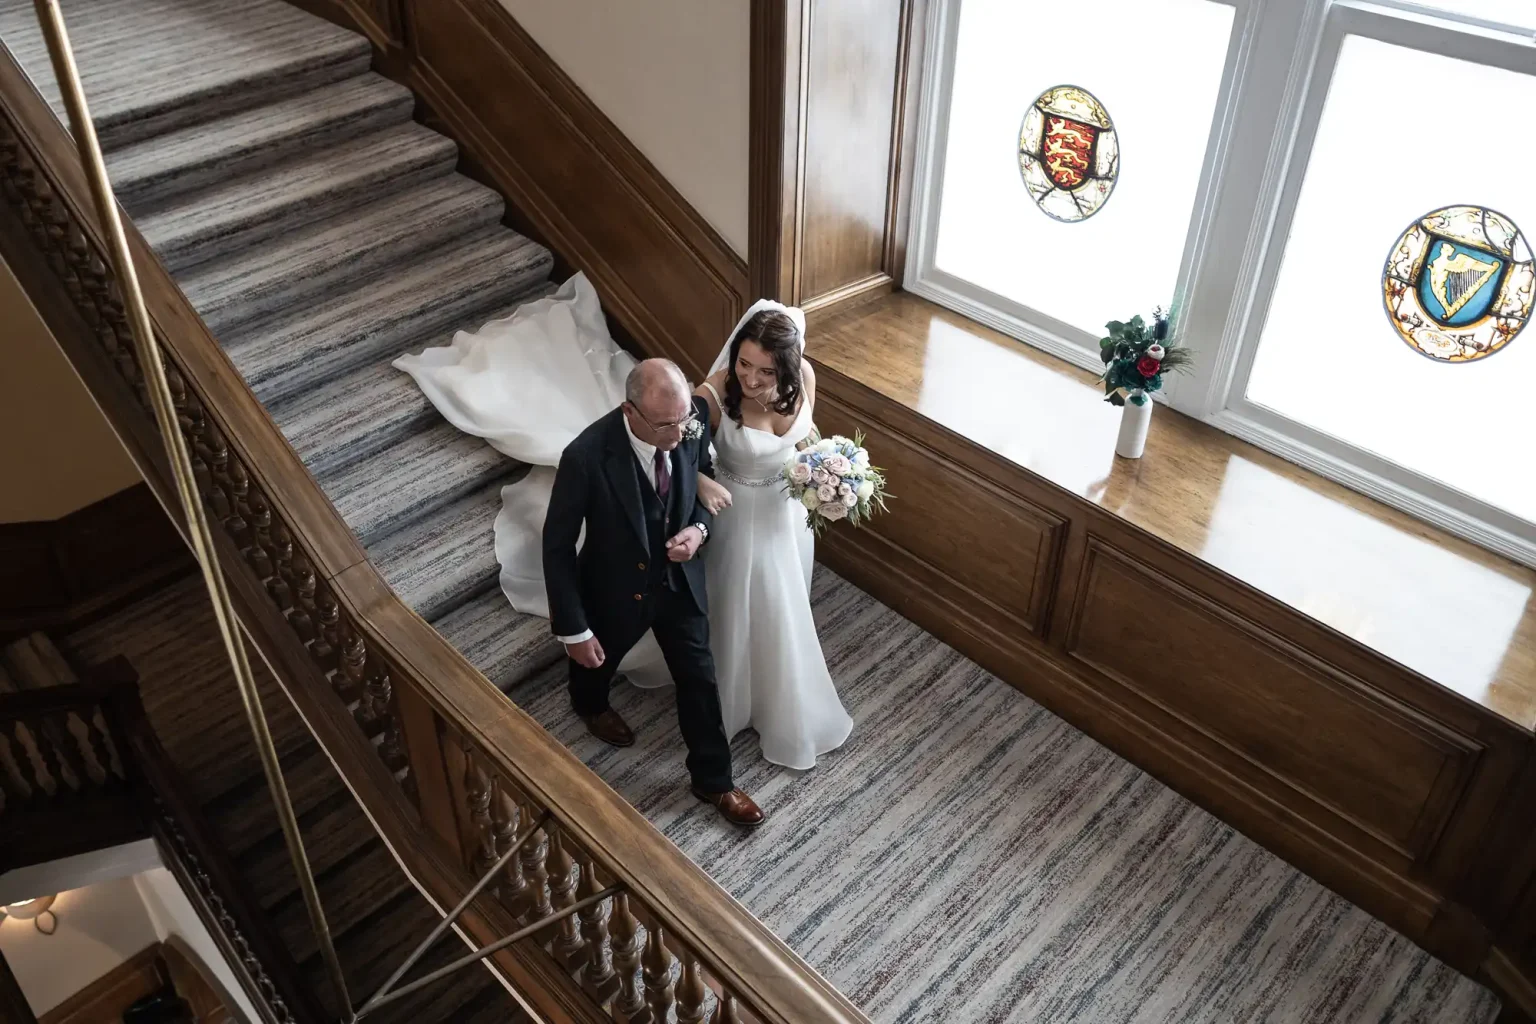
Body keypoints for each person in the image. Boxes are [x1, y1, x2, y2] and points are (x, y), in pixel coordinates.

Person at [541, 358, 764, 827]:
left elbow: (703, 481)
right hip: (613, 586)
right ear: (630, 412)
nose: (679, 432)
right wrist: (574, 630)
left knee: (700, 677)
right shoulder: (585, 456)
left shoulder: (688, 423)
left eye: (685, 420)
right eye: (666, 425)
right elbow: (557, 546)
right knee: (598, 660)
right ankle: (590, 705)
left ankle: (714, 781)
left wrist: (699, 532)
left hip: (678, 582)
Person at [691, 303, 853, 769]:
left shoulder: (804, 375)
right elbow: (682, 447)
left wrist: (825, 474)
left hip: (788, 516)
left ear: (786, 364)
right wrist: (702, 480)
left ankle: (774, 692)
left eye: (765, 370)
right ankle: (733, 700)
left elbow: (804, 438)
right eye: (743, 363)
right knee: (739, 601)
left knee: (782, 603)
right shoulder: (717, 389)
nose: (751, 378)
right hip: (737, 516)